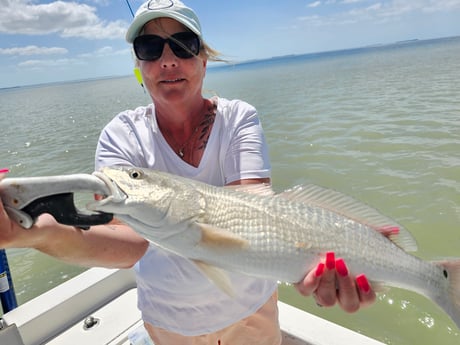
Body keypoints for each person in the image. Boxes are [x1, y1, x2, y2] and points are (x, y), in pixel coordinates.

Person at [0, 1, 376, 344]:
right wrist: (40, 236)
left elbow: (253, 211)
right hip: (168, 322)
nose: (168, 60)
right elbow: (126, 241)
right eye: (150, 48)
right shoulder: (120, 135)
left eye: (183, 45)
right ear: (138, 65)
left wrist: (316, 256)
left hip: (250, 314)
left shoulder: (238, 118)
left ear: (203, 60)